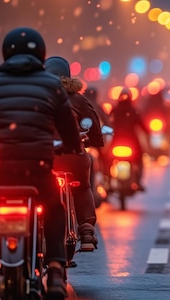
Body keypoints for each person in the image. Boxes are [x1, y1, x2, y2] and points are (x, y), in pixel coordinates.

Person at [0, 27, 82, 300]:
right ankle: (54, 270)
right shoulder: (52, 86)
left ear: (6, 53)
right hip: (37, 168)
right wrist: (72, 147)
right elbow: (69, 129)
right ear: (41, 55)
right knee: (54, 207)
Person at [45, 56, 105, 251]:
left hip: (44, 157)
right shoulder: (77, 99)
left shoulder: (39, 97)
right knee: (82, 187)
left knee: (40, 189)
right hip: (73, 157)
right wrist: (96, 141)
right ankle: (86, 230)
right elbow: (94, 125)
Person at [109, 87, 150, 191]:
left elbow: (108, 122)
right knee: (107, 159)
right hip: (129, 141)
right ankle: (137, 181)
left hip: (120, 141)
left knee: (108, 159)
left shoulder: (116, 110)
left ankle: (109, 181)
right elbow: (142, 125)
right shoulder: (133, 110)